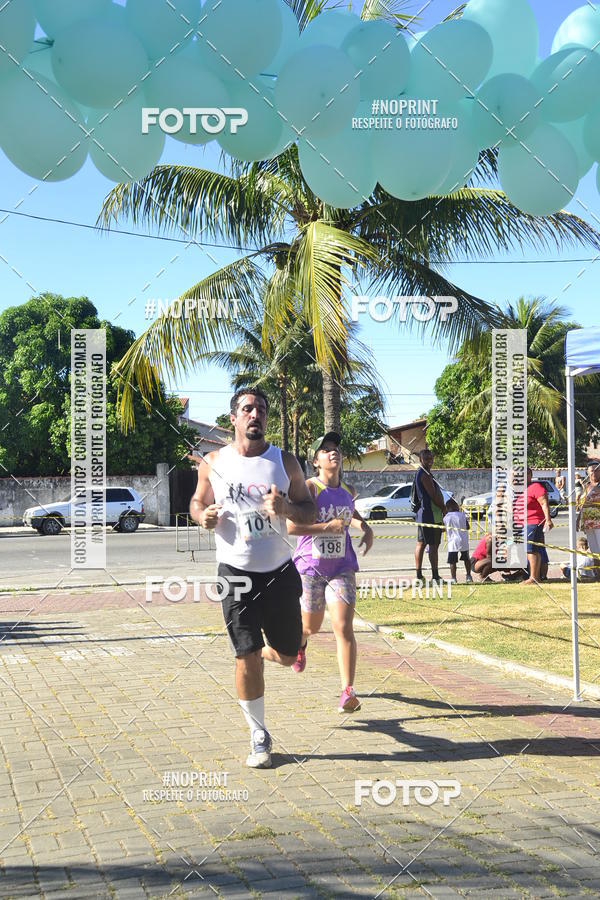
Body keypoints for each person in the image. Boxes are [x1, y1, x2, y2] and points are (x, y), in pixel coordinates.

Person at [190, 388, 316, 769]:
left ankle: (268, 649)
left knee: (289, 653)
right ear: (234, 418)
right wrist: (202, 516)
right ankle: (258, 734)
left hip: (279, 572)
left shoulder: (286, 462)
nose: (255, 414)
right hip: (234, 572)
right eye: (248, 409)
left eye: (261, 408)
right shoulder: (213, 461)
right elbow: (197, 502)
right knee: (243, 654)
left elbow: (308, 512)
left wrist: (286, 507)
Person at [288, 433, 373, 713]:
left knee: (343, 626)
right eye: (325, 450)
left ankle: (347, 691)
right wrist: (326, 527)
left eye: (335, 449)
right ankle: (301, 643)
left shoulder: (348, 491)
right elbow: (291, 528)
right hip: (310, 568)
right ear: (316, 461)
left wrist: (365, 527)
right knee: (311, 626)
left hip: (341, 567)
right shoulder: (309, 489)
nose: (332, 453)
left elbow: (350, 513)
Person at [513, 467, 553, 585]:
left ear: (529, 475)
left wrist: (548, 520)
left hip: (533, 523)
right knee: (532, 550)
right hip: (523, 524)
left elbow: (544, 504)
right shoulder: (520, 490)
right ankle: (535, 575)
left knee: (531, 550)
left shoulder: (536, 487)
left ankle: (534, 577)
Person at [414, 448, 446, 584]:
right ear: (421, 460)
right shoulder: (424, 474)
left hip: (423, 514)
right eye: (426, 459)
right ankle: (434, 576)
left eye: (431, 458)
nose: (430, 461)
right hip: (430, 514)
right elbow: (433, 495)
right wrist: (444, 508)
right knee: (432, 545)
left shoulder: (423, 473)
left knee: (422, 543)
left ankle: (419, 576)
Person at [577, 463, 600, 575]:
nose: (594, 473)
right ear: (587, 472)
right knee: (594, 550)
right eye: (591, 470)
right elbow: (582, 505)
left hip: (599, 522)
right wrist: (578, 520)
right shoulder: (586, 486)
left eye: (597, 470)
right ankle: (597, 573)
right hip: (588, 523)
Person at [443, 498, 473, 584]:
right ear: (456, 506)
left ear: (447, 508)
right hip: (463, 540)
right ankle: (468, 576)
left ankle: (453, 578)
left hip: (452, 542)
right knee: (466, 558)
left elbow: (443, 528)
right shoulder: (462, 515)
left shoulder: (446, 517)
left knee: (452, 561)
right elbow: (468, 527)